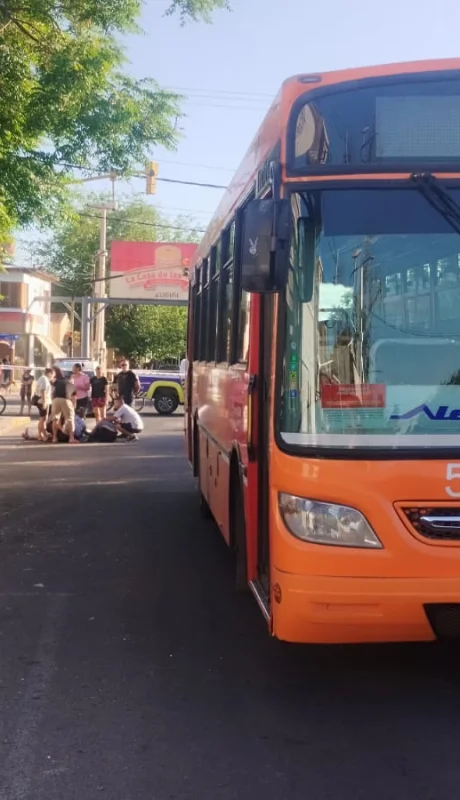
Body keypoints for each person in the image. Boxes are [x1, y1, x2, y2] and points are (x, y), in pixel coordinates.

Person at [51, 367, 77, 444]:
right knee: (70, 418)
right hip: (65, 399)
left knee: (55, 419)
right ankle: (71, 438)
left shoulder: (57, 382)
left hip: (55, 400)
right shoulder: (70, 384)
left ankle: (54, 438)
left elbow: (52, 391)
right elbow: (73, 397)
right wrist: (73, 406)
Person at [34, 367, 54, 441]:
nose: (52, 377)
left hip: (43, 401)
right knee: (43, 419)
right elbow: (43, 390)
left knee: (42, 419)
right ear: (49, 373)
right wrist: (44, 402)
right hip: (43, 401)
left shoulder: (43, 378)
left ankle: (40, 435)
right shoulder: (44, 379)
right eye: (52, 375)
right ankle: (44, 434)